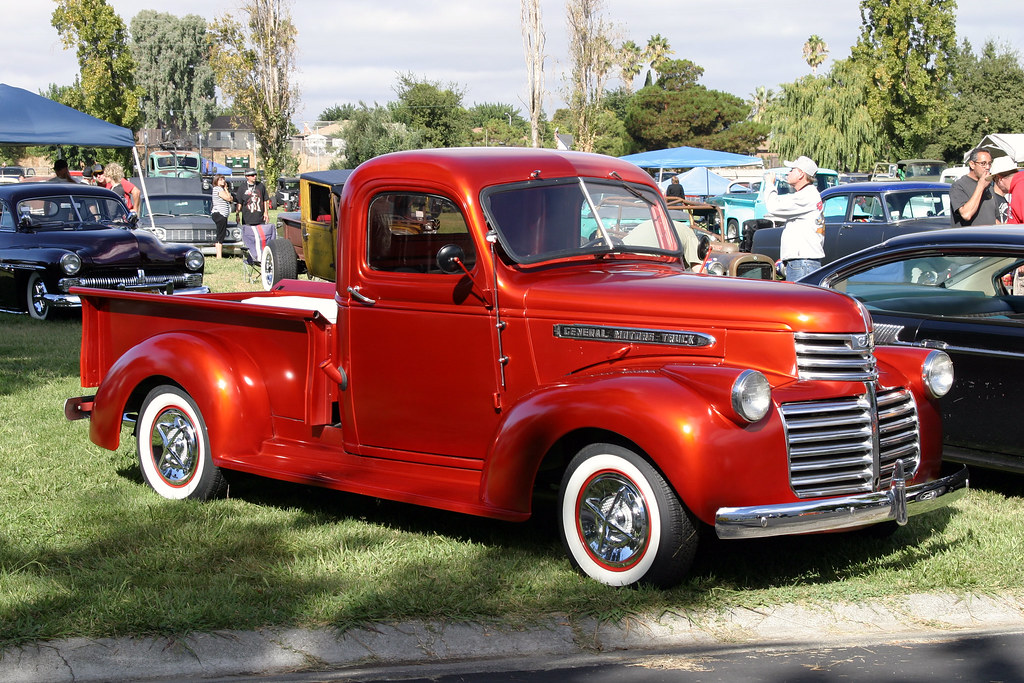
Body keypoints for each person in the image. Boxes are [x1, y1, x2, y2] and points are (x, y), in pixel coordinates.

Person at [763, 156, 824, 281]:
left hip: (802, 263)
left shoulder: (806, 196)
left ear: (801, 174)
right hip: (804, 262)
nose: (788, 173)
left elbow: (773, 207)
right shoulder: (808, 194)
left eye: (792, 169)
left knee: (800, 300)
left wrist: (770, 185)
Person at [950, 148, 998, 227]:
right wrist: (980, 186)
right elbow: (966, 214)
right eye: (983, 163)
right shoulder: (958, 186)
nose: (987, 167)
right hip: (971, 238)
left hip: (990, 237)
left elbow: (994, 219)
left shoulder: (989, 186)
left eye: (989, 163)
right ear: (972, 164)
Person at [211, 174, 233, 258]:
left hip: (223, 214)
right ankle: (219, 255)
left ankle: (219, 254)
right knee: (220, 234)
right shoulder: (217, 189)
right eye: (220, 180)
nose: (223, 181)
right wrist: (226, 190)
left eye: (223, 179)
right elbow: (228, 198)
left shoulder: (222, 189)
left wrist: (226, 189)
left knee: (221, 234)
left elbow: (231, 199)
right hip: (219, 214)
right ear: (216, 181)